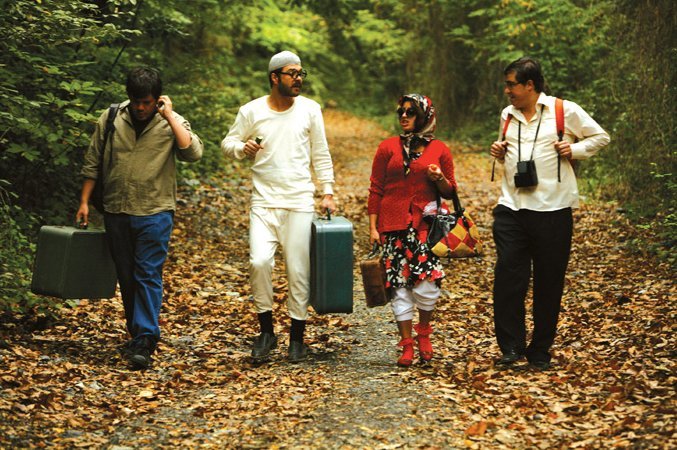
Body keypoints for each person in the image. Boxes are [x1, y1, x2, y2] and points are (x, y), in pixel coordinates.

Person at [76, 67, 203, 370]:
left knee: (147, 273)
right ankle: (137, 332)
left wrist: (169, 116)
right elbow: (92, 162)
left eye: (147, 102)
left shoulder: (171, 122)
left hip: (155, 212)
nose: (141, 107)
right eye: (136, 101)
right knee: (127, 275)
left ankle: (146, 336)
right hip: (116, 210)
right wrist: (83, 202)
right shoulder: (110, 118)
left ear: (157, 99)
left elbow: (193, 152)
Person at [490, 56, 610, 370]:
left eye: (511, 84)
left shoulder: (562, 110)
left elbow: (600, 136)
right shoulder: (507, 114)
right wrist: (499, 152)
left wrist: (575, 150)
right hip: (511, 207)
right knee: (508, 277)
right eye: (507, 84)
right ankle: (511, 347)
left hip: (552, 210)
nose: (507, 91)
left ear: (530, 85)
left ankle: (540, 351)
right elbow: (510, 155)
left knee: (548, 281)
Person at [221, 50, 336, 363]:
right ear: (274, 77)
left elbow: (321, 152)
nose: (298, 78)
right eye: (291, 73)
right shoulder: (251, 110)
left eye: (301, 73)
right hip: (264, 201)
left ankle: (297, 339)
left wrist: (327, 190)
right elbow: (227, 143)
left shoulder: (310, 110)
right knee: (259, 262)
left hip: (299, 200)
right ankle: (266, 331)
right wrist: (242, 149)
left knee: (299, 270)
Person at [368, 94, 456, 367]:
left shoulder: (440, 149)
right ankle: (406, 344)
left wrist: (439, 177)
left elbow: (451, 192)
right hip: (392, 226)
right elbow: (376, 188)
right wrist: (373, 227)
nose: (404, 116)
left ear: (425, 116)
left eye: (411, 112)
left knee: (427, 284)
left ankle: (424, 334)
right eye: (401, 112)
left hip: (424, 228)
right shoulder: (387, 148)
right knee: (399, 286)